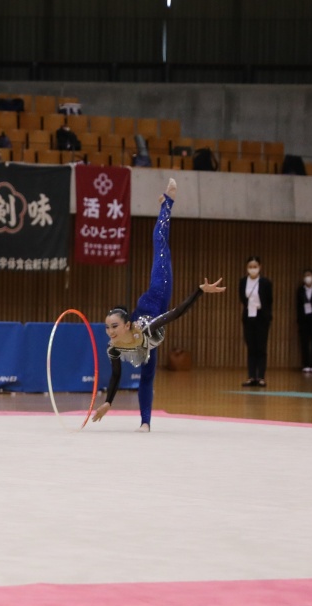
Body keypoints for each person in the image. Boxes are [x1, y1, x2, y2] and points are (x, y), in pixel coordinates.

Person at [91, 179, 226, 431]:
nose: (110, 332)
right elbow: (117, 376)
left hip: (157, 294)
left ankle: (167, 204)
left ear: (127, 325)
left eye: (114, 327)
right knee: (147, 375)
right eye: (108, 328)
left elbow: (175, 313)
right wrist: (108, 403)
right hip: (146, 345)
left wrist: (199, 291)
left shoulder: (144, 327)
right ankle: (146, 423)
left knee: (159, 245)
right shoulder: (113, 349)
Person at [239, 256, 273, 387]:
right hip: (248, 316)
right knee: (251, 347)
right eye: (250, 267)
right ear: (247, 268)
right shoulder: (243, 282)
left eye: (255, 266)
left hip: (261, 317)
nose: (253, 269)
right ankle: (251, 376)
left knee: (261, 347)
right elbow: (242, 298)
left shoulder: (265, 282)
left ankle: (261, 377)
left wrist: (267, 315)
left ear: (260, 267)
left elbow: (269, 300)